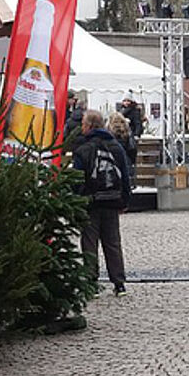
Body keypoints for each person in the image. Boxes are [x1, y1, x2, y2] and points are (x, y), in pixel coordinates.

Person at [72, 110, 131, 296]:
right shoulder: (116, 147)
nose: (81, 127)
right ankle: (119, 283)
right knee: (113, 243)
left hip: (91, 202)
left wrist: (77, 199)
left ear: (89, 126)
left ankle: (91, 283)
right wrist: (125, 200)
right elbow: (125, 175)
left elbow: (77, 179)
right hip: (112, 200)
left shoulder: (83, 149)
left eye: (83, 123)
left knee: (89, 243)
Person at [107, 112, 137, 189]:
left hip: (111, 162)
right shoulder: (127, 132)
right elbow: (132, 148)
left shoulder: (108, 133)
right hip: (126, 161)